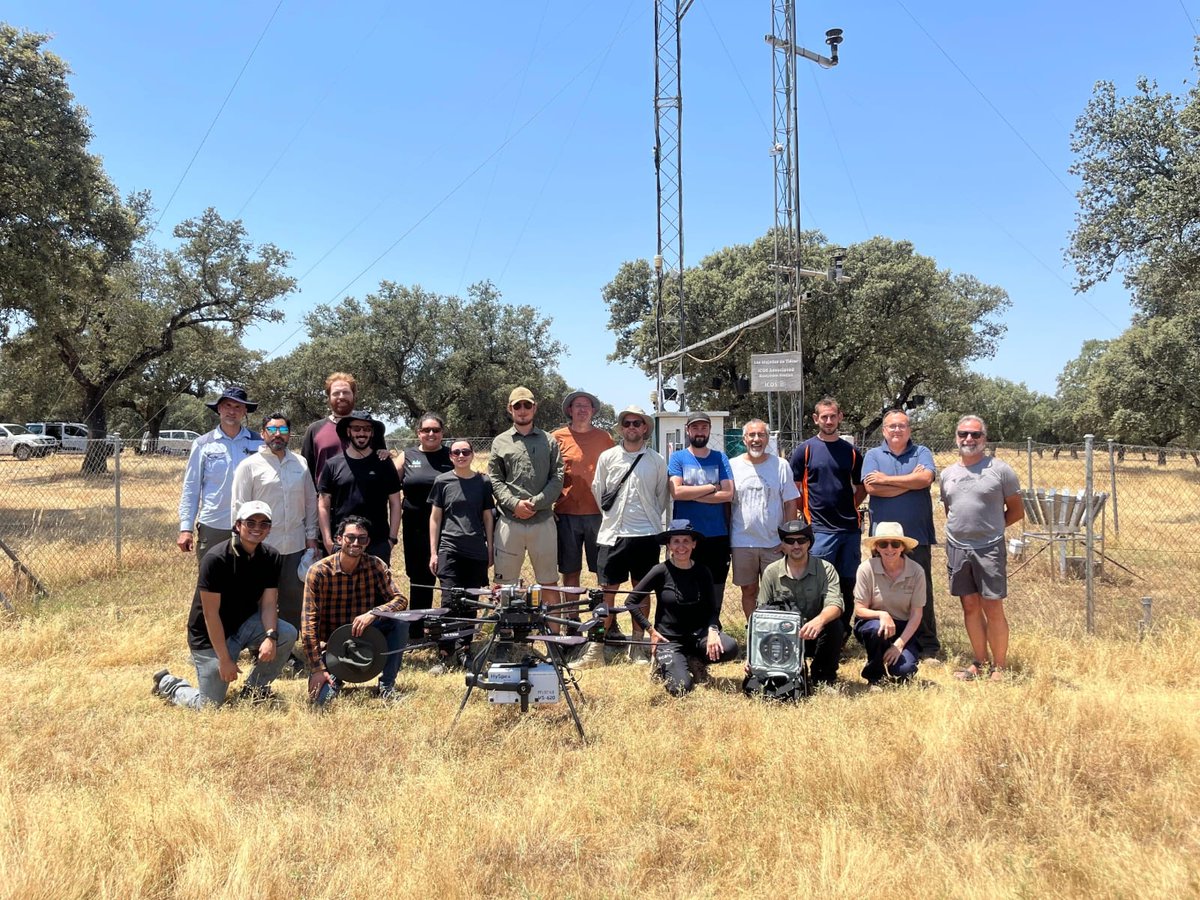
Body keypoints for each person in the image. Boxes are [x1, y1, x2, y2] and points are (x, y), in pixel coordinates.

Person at [152, 501, 298, 709]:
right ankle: (169, 684)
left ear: (269, 529)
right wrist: (224, 659)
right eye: (251, 522)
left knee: (287, 633)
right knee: (209, 705)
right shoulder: (216, 559)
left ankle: (254, 690)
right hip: (210, 636)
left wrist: (270, 636)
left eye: (264, 524)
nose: (257, 528)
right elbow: (210, 615)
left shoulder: (271, 556)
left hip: (245, 624)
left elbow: (268, 603)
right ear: (238, 525)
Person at [582, 404, 669, 667]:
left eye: (637, 423)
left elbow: (661, 497)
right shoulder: (608, 458)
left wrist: (650, 520)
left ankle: (638, 645)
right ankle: (596, 649)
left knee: (641, 592)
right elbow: (599, 492)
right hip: (613, 534)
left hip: (647, 534)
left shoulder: (656, 461)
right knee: (606, 592)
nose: (632, 427)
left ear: (645, 428)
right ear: (621, 428)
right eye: (627, 423)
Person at [940, 415, 1023, 681]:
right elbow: (949, 509)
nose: (969, 439)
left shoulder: (1000, 470)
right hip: (957, 547)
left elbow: (1016, 511)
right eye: (963, 434)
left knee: (992, 606)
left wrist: (991, 529)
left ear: (984, 439)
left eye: (975, 435)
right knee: (970, 606)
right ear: (956, 437)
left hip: (989, 548)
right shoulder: (947, 474)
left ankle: (999, 667)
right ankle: (979, 661)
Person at [231, 413, 320, 659]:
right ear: (263, 433)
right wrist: (241, 542)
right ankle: (256, 645)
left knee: (293, 598)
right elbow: (239, 505)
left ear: (289, 434)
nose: (277, 434)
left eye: (282, 430)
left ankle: (287, 651)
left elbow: (311, 503)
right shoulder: (249, 466)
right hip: (260, 546)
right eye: (272, 429)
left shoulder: (300, 464)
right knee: (258, 598)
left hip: (293, 544)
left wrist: (311, 539)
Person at [302, 515, 410, 704]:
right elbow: (308, 624)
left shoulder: (375, 565)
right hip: (333, 646)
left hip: (367, 638)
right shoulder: (319, 572)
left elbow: (400, 599)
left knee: (400, 622)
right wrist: (318, 669)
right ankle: (335, 678)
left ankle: (386, 686)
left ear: (367, 542)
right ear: (339, 539)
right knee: (322, 701)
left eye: (362, 538)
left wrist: (373, 613)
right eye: (350, 537)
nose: (355, 543)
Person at [862, 409, 941, 659]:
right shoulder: (873, 455)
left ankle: (927, 645)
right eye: (892, 426)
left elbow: (926, 479)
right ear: (884, 430)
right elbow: (870, 487)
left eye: (902, 426)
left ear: (909, 430)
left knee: (921, 589)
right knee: (881, 591)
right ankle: (882, 640)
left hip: (917, 534)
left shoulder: (921, 452)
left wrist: (888, 480)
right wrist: (909, 482)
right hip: (882, 538)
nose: (897, 430)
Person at [627, 521, 738, 696]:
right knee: (681, 688)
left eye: (686, 541)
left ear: (694, 544)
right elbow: (631, 602)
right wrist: (651, 631)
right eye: (676, 541)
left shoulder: (703, 571)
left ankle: (695, 660)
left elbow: (712, 608)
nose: (681, 547)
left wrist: (712, 630)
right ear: (669, 545)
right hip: (668, 640)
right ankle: (667, 665)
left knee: (730, 647)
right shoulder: (660, 571)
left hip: (698, 637)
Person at [788, 397, 864, 632]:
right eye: (824, 417)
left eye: (833, 416)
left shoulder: (851, 452)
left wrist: (851, 505)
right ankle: (817, 632)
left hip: (850, 529)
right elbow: (794, 487)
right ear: (815, 419)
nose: (829, 421)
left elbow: (861, 486)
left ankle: (841, 633)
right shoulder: (805, 450)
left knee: (847, 582)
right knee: (819, 583)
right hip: (820, 529)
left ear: (840, 417)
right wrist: (806, 511)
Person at [428, 438, 495, 674]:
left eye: (465, 451)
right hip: (449, 549)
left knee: (470, 603)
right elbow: (435, 518)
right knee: (449, 601)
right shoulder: (442, 481)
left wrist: (490, 547)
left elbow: (488, 517)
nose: (460, 455)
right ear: (450, 456)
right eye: (456, 452)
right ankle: (446, 652)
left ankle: (466, 649)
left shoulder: (483, 482)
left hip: (476, 550)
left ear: (473, 454)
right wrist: (434, 552)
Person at [177, 386, 263, 567]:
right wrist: (186, 528)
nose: (232, 411)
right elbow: (191, 488)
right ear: (219, 409)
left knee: (248, 582)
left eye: (238, 407)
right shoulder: (202, 444)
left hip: (252, 524)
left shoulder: (260, 443)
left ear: (245, 411)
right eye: (227, 405)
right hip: (213, 523)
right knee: (211, 582)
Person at [488, 386, 564, 589]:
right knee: (504, 586)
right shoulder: (500, 442)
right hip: (509, 521)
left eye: (527, 405)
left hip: (543, 521)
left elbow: (557, 477)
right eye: (517, 405)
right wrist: (515, 504)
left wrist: (534, 503)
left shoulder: (549, 441)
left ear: (534, 408)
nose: (523, 410)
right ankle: (506, 622)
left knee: (549, 584)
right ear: (509, 409)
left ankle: (552, 622)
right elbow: (495, 479)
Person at [756, 520, 845, 688]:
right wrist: (753, 657)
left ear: (809, 542)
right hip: (783, 639)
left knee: (835, 625)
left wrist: (818, 622)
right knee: (786, 684)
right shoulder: (771, 572)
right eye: (790, 541)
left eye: (801, 540)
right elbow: (761, 616)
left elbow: (836, 605)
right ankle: (791, 671)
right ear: (782, 544)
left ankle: (823, 678)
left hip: (814, 634)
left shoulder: (826, 569)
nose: (796, 545)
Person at [730, 419, 799, 618]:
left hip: (774, 543)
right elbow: (728, 504)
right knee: (749, 590)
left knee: (778, 592)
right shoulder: (733, 465)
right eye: (751, 435)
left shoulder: (780, 465)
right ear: (744, 439)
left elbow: (790, 503)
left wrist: (788, 539)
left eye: (761, 435)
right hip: (742, 542)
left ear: (768, 439)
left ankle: (774, 632)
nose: (756, 439)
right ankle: (753, 630)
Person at [667, 412, 734, 609]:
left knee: (715, 586)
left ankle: (712, 627)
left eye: (704, 428)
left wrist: (692, 494)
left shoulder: (719, 458)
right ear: (688, 430)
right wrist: (712, 487)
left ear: (709, 431)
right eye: (695, 428)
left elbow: (728, 494)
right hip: (686, 535)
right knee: (685, 584)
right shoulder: (678, 458)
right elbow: (677, 491)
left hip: (716, 534)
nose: (699, 432)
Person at [551, 390, 615, 597]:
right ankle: (572, 619)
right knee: (570, 571)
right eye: (577, 405)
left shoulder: (604, 438)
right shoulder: (556, 438)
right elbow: (547, 473)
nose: (582, 410)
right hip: (566, 512)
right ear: (570, 410)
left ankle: (604, 620)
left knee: (603, 572)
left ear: (593, 411)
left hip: (599, 513)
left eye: (586, 406)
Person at [317, 410, 401, 564]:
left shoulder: (384, 463)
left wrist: (391, 540)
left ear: (372, 433)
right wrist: (328, 541)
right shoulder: (332, 465)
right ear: (348, 432)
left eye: (366, 429)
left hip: (377, 543)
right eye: (356, 428)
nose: (361, 433)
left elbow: (395, 503)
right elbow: (323, 504)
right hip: (342, 542)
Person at [396, 413, 453, 635]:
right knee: (420, 577)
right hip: (415, 526)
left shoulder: (451, 454)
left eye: (436, 430)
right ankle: (417, 630)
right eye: (426, 430)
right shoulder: (407, 456)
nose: (431, 434)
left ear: (442, 433)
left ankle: (449, 630)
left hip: (449, 525)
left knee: (449, 576)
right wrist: (381, 456)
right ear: (418, 432)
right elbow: (388, 482)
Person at [852, 522, 926, 687]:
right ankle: (875, 677)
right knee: (875, 628)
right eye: (883, 544)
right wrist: (881, 614)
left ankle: (895, 659)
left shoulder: (916, 571)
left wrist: (899, 644)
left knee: (904, 672)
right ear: (876, 547)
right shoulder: (866, 569)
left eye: (895, 543)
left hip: (904, 628)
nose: (889, 548)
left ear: (902, 547)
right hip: (875, 625)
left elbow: (917, 614)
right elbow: (859, 609)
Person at [300, 372, 388, 485]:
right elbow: (306, 471)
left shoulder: (369, 429)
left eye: (346, 392)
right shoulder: (314, 430)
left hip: (365, 498)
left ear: (354, 395)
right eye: (336, 393)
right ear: (329, 397)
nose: (341, 396)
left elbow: (381, 460)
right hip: (325, 499)